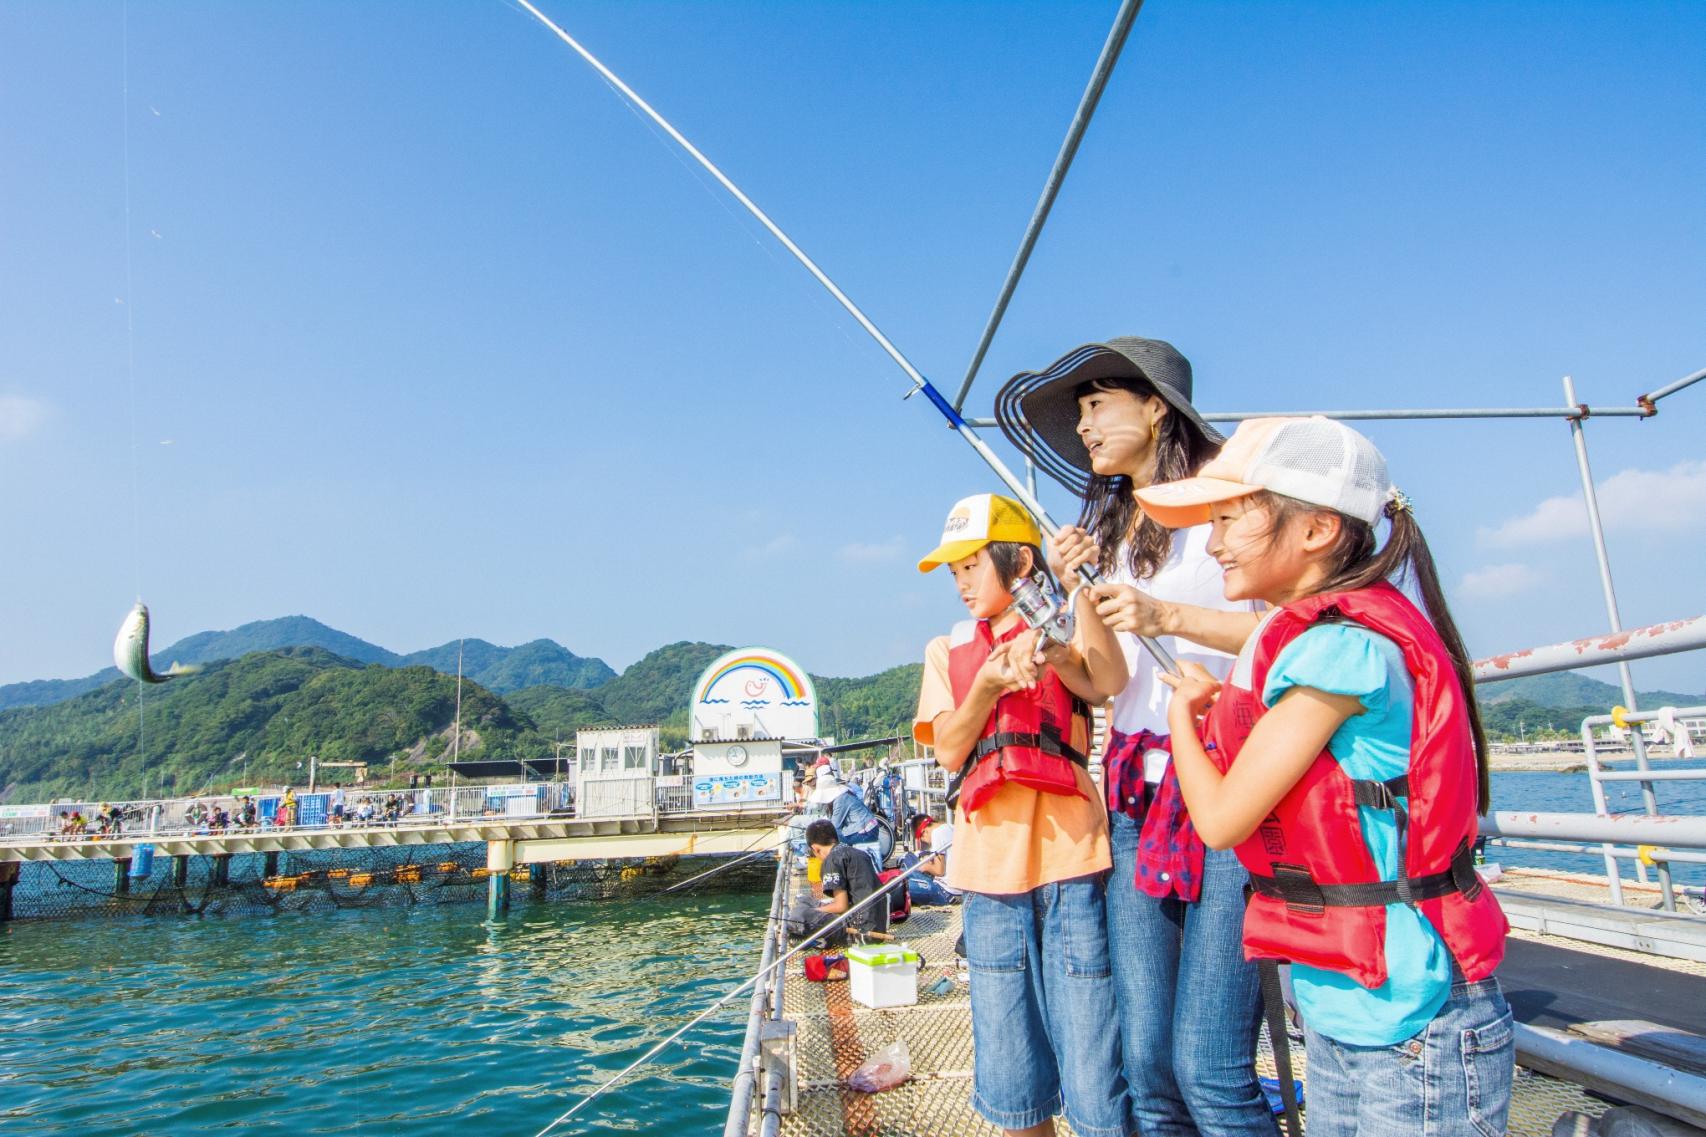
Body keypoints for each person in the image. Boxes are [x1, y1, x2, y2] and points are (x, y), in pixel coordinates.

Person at [1138, 416, 1513, 1137]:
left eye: (1226, 519)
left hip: (1413, 1017)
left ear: (1314, 530)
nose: (1212, 542)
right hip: (1352, 1006)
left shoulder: (1339, 651)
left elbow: (1220, 819)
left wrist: (1182, 713)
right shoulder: (1323, 639)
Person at [996, 336, 1273, 1137]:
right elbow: (1110, 681)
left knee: (1210, 1066)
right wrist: (1077, 597)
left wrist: (1168, 615)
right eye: (1078, 413)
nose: (1083, 427)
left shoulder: (1234, 508)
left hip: (1227, 777)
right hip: (1137, 792)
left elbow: (1284, 635)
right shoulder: (1109, 531)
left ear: (1157, 405)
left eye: (1095, 405)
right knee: (1148, 1063)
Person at [914, 492, 1130, 1137]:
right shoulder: (947, 649)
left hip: (1073, 862)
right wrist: (986, 684)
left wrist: (1064, 644)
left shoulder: (1062, 621)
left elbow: (1107, 682)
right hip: (987, 877)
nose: (961, 584)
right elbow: (951, 750)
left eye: (972, 566)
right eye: (954, 572)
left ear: (1020, 563)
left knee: (1093, 1056)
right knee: (1011, 1071)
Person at [785, 818, 887, 945]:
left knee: (800, 914)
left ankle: (807, 938)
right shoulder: (857, 852)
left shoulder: (832, 860)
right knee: (804, 900)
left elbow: (841, 906)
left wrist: (813, 912)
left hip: (860, 930)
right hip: (878, 924)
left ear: (815, 848)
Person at [807, 766, 883, 872]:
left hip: (865, 832)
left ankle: (835, 866)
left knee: (832, 837)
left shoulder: (840, 800)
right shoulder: (843, 795)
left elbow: (834, 826)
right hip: (868, 828)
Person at [900, 814, 959, 906]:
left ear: (924, 832)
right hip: (956, 889)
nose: (925, 842)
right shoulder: (951, 827)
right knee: (909, 860)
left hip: (944, 891)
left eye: (921, 839)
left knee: (899, 885)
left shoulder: (937, 833)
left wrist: (925, 867)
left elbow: (940, 871)